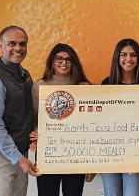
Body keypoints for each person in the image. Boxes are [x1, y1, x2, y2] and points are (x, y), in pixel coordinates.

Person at [0, 25, 40, 196]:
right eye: (12, 43)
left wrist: (34, 129)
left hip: (20, 151)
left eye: (22, 44)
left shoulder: (24, 75)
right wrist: (18, 159)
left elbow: (27, 111)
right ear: (1, 46)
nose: (18, 48)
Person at [30, 43, 95, 196]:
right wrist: (35, 132)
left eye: (68, 59)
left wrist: (92, 163)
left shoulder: (84, 87)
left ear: (74, 63)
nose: (64, 63)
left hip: (76, 154)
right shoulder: (39, 86)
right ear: (51, 61)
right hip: (48, 152)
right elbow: (33, 117)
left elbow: (92, 126)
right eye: (59, 58)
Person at [101, 38, 139, 196]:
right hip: (110, 154)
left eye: (133, 55)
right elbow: (100, 124)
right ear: (117, 58)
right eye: (123, 55)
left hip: (137, 155)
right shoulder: (107, 85)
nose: (128, 59)